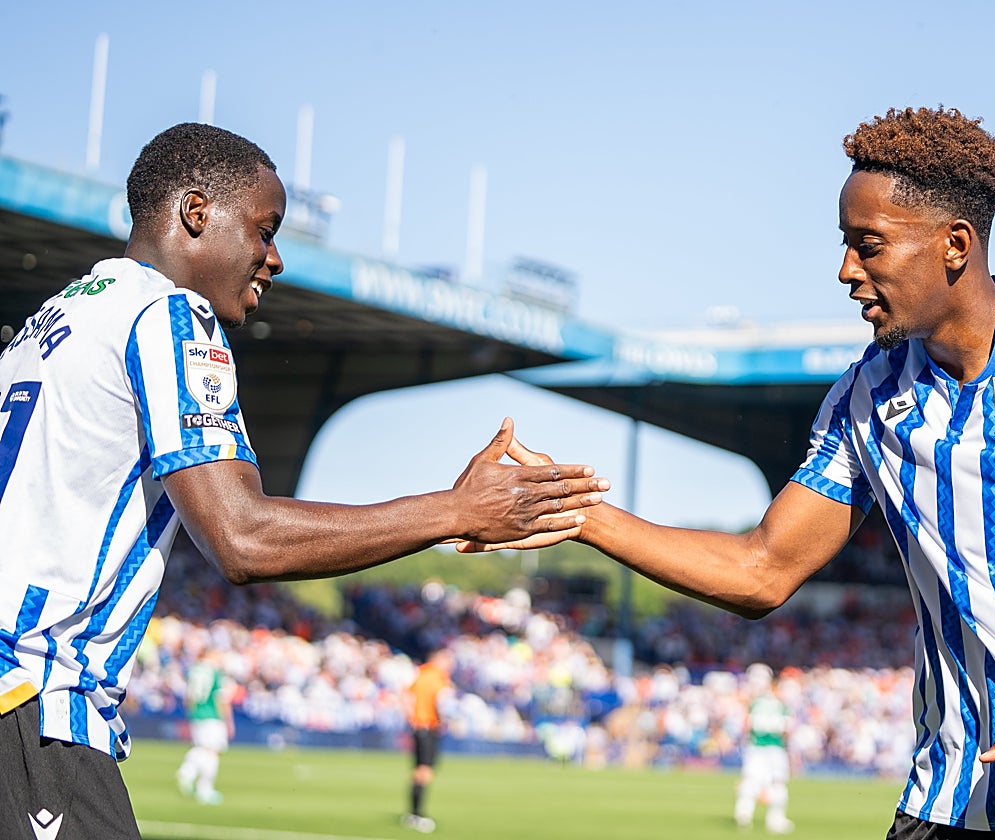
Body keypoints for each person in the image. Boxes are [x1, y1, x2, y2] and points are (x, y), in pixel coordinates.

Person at [472, 107, 995, 838]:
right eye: (846, 245)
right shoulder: (868, 394)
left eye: (869, 246)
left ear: (955, 245)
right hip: (942, 799)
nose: (847, 270)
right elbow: (763, 569)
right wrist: (583, 515)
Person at [0, 122, 608, 838]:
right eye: (264, 231)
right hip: (35, 706)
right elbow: (243, 538)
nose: (275, 259)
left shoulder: (57, 316)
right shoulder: (167, 314)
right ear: (196, 214)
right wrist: (455, 512)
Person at [734, 663, 794, 835]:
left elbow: (746, 726)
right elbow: (786, 729)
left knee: (750, 780)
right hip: (775, 747)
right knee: (778, 783)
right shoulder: (780, 703)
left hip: (756, 746)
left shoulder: (754, 703)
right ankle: (775, 820)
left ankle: (743, 814)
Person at [401, 648, 455, 833]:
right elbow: (442, 701)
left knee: (418, 770)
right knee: (425, 770)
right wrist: (447, 720)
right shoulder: (438, 677)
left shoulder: (421, 674)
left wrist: (412, 718)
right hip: (429, 727)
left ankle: (413, 812)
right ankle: (417, 814)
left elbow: (407, 697)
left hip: (418, 726)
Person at [175, 649, 234, 805]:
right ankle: (204, 789)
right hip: (212, 715)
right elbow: (220, 699)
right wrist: (228, 720)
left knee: (203, 747)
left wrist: (192, 714)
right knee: (212, 751)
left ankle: (188, 771)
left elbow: (189, 697)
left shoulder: (193, 670)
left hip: (197, 714)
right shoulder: (215, 672)